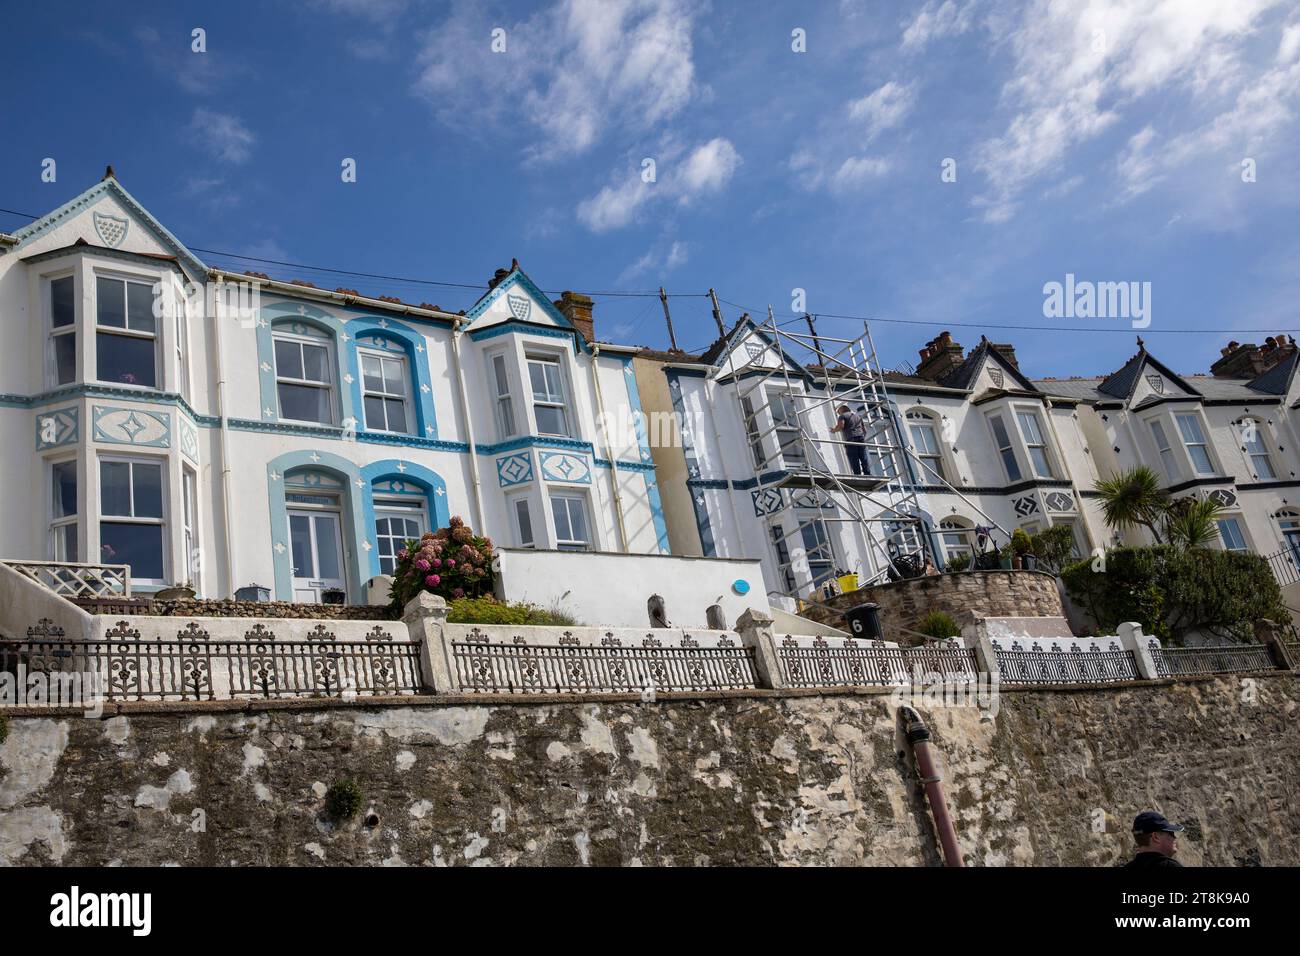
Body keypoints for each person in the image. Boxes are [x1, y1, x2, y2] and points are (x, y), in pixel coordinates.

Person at [831, 404, 871, 476]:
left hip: (851, 439)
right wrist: (862, 437)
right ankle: (867, 474)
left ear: (842, 410)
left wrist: (834, 430)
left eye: (838, 412)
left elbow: (841, 426)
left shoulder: (842, 416)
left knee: (854, 459)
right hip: (861, 439)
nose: (838, 414)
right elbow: (865, 430)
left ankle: (857, 475)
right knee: (863, 457)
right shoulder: (858, 416)